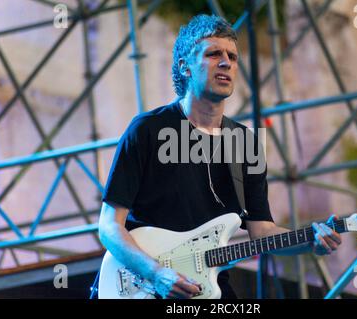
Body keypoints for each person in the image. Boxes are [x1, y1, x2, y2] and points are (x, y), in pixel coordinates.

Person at [98, 14, 342, 299]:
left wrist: (308, 241)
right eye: (214, 54)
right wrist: (156, 273)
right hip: (147, 285)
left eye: (232, 56)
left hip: (209, 286)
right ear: (184, 67)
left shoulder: (244, 143)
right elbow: (109, 226)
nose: (226, 62)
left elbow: (261, 230)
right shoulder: (147, 130)